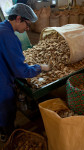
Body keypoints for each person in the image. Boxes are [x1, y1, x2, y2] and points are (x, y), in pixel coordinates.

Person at [0, 3, 50, 142]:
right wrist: (39, 67)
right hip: (1, 80)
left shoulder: (2, 28)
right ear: (18, 19)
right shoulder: (9, 37)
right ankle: (8, 135)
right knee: (6, 107)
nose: (28, 29)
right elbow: (20, 70)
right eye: (27, 24)